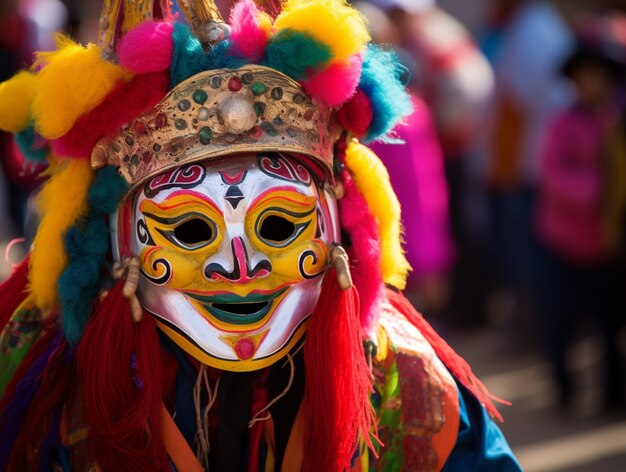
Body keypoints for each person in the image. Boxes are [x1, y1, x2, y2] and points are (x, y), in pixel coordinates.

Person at [0, 0, 521, 470]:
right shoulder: (48, 387)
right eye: (190, 228)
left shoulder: (402, 385)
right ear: (118, 242)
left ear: (336, 225)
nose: (239, 267)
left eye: (278, 224)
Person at [534, 12, 626, 410]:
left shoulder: (617, 122)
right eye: (587, 75)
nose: (595, 84)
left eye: (602, 76)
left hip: (608, 243)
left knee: (611, 328)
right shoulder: (563, 122)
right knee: (561, 323)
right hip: (564, 239)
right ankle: (564, 390)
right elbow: (553, 174)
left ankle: (613, 394)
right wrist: (597, 189)